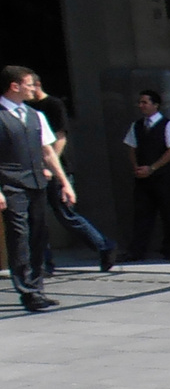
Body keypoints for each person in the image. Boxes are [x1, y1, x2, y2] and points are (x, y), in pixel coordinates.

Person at [0, 65, 73, 313]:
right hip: (10, 184)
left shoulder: (35, 116)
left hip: (37, 183)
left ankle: (37, 286)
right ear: (15, 86)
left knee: (38, 234)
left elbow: (48, 152)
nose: (34, 88)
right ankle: (28, 292)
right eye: (30, 84)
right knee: (19, 236)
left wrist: (64, 182)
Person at [28, 75, 116, 273]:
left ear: (37, 85)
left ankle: (104, 245)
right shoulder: (26, 109)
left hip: (55, 168)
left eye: (30, 86)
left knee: (65, 214)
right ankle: (44, 262)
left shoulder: (53, 105)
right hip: (35, 169)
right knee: (36, 217)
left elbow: (60, 137)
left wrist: (51, 166)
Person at [123, 89, 170, 261]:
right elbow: (131, 148)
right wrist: (137, 167)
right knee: (142, 214)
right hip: (143, 179)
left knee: (168, 213)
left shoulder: (169, 125)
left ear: (155, 105)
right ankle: (137, 250)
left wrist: (153, 168)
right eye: (140, 102)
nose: (141, 105)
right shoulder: (137, 126)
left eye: (145, 102)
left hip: (163, 177)